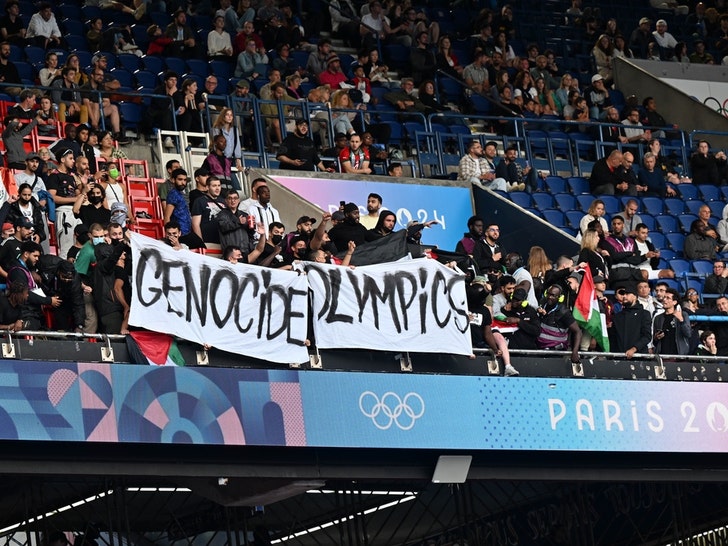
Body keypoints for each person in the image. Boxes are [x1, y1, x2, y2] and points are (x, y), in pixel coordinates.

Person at [47, 148, 81, 259]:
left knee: (78, 246)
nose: (73, 161)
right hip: (63, 212)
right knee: (66, 247)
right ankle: (64, 273)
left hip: (76, 212)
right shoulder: (54, 176)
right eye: (70, 158)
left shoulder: (72, 177)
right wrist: (74, 199)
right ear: (62, 159)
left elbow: (78, 194)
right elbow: (52, 197)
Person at [536, 284, 582, 364]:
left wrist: (575, 351)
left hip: (555, 351)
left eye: (553, 295)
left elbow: (578, 332)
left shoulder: (564, 312)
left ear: (560, 298)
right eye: (549, 294)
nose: (550, 297)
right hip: (540, 348)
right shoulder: (543, 304)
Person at [610, 284, 652, 358]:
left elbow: (647, 336)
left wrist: (634, 349)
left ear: (635, 296)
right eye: (623, 294)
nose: (624, 296)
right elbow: (613, 339)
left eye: (627, 294)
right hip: (619, 359)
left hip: (639, 358)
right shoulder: (617, 316)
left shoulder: (644, 314)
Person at [652, 288, 691, 355]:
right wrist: (656, 337)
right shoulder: (658, 318)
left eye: (668, 298)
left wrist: (681, 320)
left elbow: (688, 334)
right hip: (662, 356)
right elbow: (655, 341)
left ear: (674, 302)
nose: (664, 300)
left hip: (679, 356)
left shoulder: (683, 315)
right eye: (664, 297)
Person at [190, 175, 226, 245]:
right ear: (207, 187)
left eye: (219, 185)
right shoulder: (199, 201)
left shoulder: (224, 201)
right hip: (207, 242)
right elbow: (195, 224)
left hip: (223, 242)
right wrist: (200, 243)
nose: (217, 188)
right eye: (214, 186)